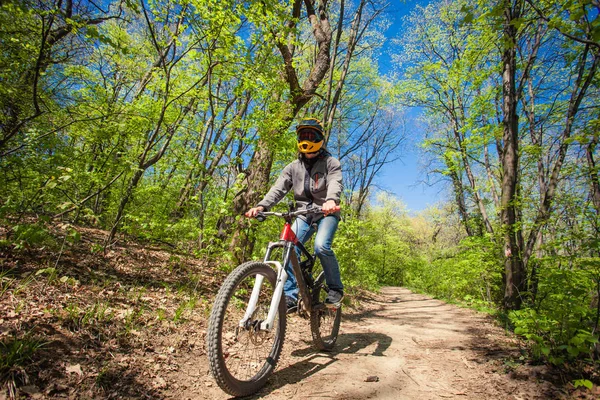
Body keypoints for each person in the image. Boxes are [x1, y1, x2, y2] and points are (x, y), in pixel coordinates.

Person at [245, 118, 344, 312]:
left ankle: (335, 289)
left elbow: (335, 182)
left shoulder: (331, 163)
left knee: (321, 246)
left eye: (311, 135)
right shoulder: (292, 167)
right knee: (288, 248)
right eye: (303, 135)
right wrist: (262, 206)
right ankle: (290, 295)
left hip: (326, 212)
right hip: (303, 213)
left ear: (320, 138)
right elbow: (278, 189)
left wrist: (331, 200)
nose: (306, 140)